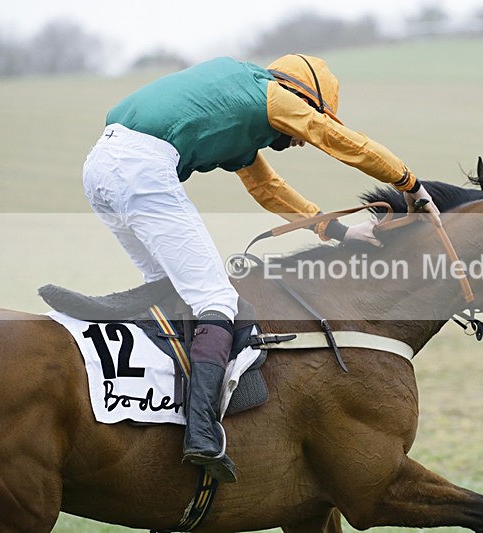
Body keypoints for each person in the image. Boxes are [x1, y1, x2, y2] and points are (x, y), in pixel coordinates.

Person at [82, 54, 440, 483]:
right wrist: (409, 183)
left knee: (171, 292)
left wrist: (339, 231)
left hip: (101, 166)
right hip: (140, 168)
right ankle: (201, 432)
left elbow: (267, 187)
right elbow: (338, 139)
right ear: (300, 96)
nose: (301, 139)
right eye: (311, 115)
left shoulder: (239, 109)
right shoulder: (270, 94)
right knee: (217, 300)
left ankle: (158, 410)